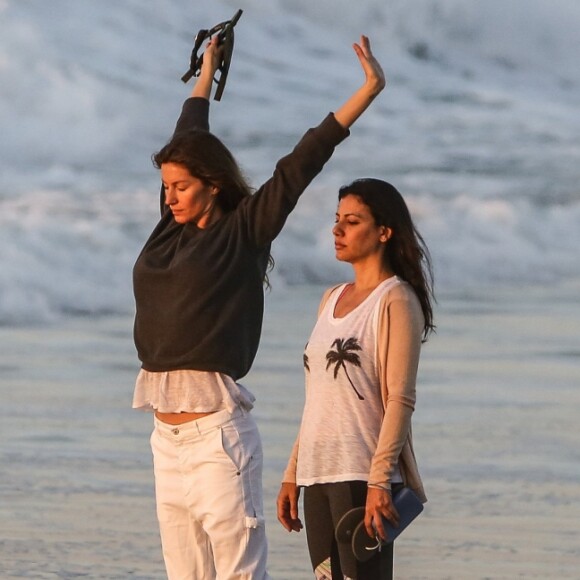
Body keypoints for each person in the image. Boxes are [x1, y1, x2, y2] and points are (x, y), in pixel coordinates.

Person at [131, 32, 385, 580]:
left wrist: (367, 91)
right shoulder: (167, 231)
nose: (169, 196)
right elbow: (189, 133)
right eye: (165, 186)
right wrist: (207, 69)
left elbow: (302, 163)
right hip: (165, 443)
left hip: (217, 443)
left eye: (179, 187)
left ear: (214, 186)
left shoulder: (244, 232)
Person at [276, 178, 435, 580]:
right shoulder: (330, 298)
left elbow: (401, 398)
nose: (337, 229)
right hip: (318, 474)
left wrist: (380, 481)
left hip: (361, 474)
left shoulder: (396, 300)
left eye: (352, 221)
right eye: (336, 220)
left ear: (383, 232)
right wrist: (293, 473)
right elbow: (318, 399)